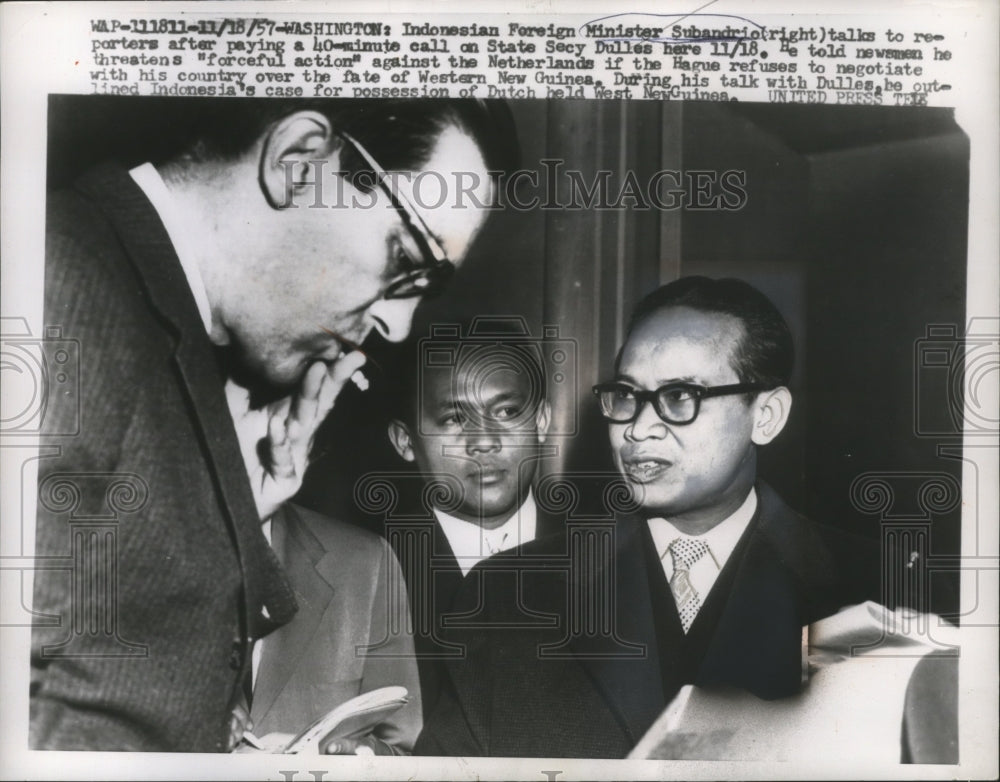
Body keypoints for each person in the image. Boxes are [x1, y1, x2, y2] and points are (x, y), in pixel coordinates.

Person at [31, 98, 514, 751]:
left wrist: (239, 517)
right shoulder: (59, 284)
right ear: (298, 161)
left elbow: (104, 674)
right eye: (406, 259)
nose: (397, 326)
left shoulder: (161, 328)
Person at [416, 276, 895, 758]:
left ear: (766, 415)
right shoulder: (505, 594)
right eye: (626, 395)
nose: (639, 428)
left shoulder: (875, 588)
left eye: (680, 396)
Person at [384, 323, 564, 718]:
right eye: (452, 418)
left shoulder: (611, 553)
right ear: (405, 442)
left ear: (542, 420)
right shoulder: (369, 574)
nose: (484, 440)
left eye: (506, 411)